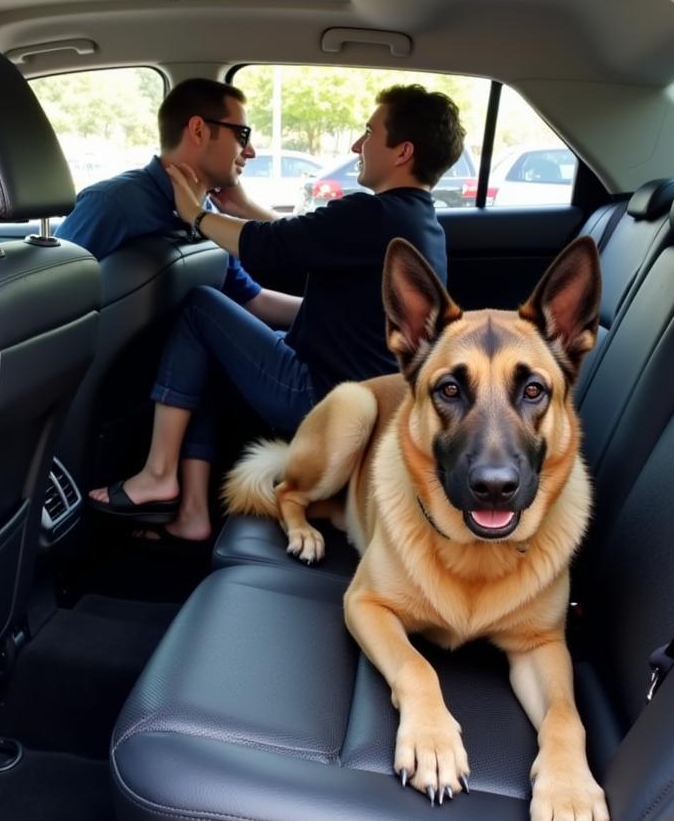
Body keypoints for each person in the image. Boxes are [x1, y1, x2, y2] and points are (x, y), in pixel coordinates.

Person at [89, 84, 465, 543]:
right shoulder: (418, 221)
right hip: (356, 401)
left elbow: (276, 247)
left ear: (403, 151)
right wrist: (240, 207)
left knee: (200, 309)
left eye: (369, 133)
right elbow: (308, 241)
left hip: (321, 397)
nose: (356, 145)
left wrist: (196, 214)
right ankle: (192, 514)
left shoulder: (375, 215)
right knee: (211, 354)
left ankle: (158, 471)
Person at [58, 79, 301, 535]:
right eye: (242, 136)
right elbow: (53, 296)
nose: (249, 152)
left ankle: (191, 512)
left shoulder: (204, 212)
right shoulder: (116, 203)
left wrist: (334, 318)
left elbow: (254, 300)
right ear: (198, 129)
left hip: (159, 390)